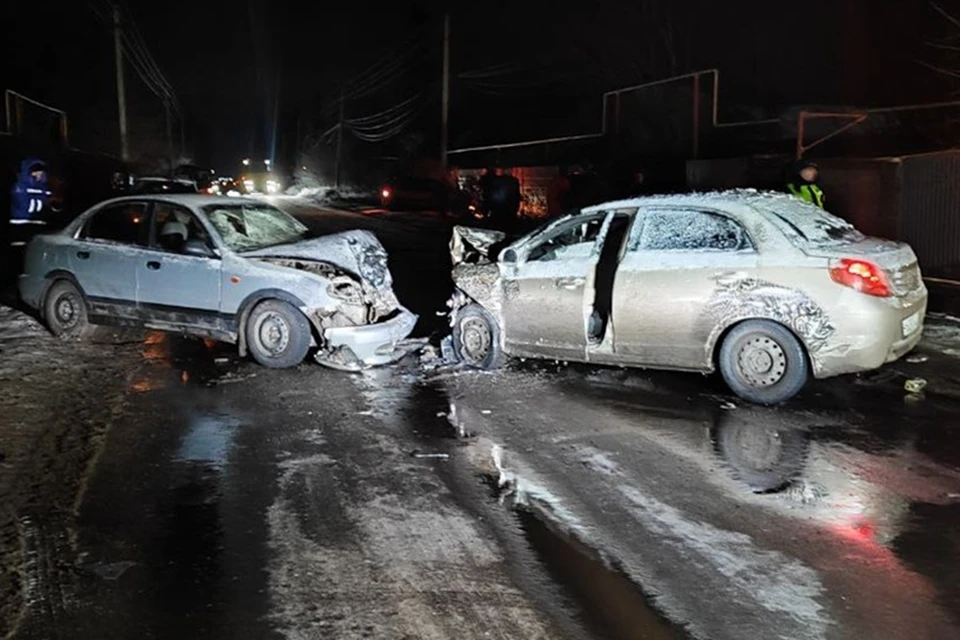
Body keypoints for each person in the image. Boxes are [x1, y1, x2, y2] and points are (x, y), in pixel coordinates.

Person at [9, 158, 52, 249]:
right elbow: (22, 202)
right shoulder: (20, 186)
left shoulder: (44, 187)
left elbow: (48, 202)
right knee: (19, 247)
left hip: (39, 223)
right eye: (35, 171)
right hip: (21, 223)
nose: (38, 174)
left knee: (34, 248)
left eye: (40, 171)